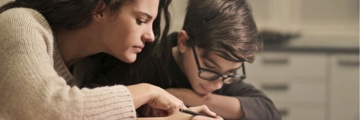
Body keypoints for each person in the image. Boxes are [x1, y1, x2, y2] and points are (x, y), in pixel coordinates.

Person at [0, 0, 223, 120]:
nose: (151, 36)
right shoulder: (21, 23)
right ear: (100, 9)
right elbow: (50, 110)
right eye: (141, 20)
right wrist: (148, 91)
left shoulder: (86, 68)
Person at [83, 0, 282, 119]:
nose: (217, 83)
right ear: (184, 42)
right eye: (210, 68)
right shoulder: (139, 60)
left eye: (230, 74)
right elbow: (90, 105)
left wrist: (195, 98)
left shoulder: (219, 78)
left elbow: (269, 112)